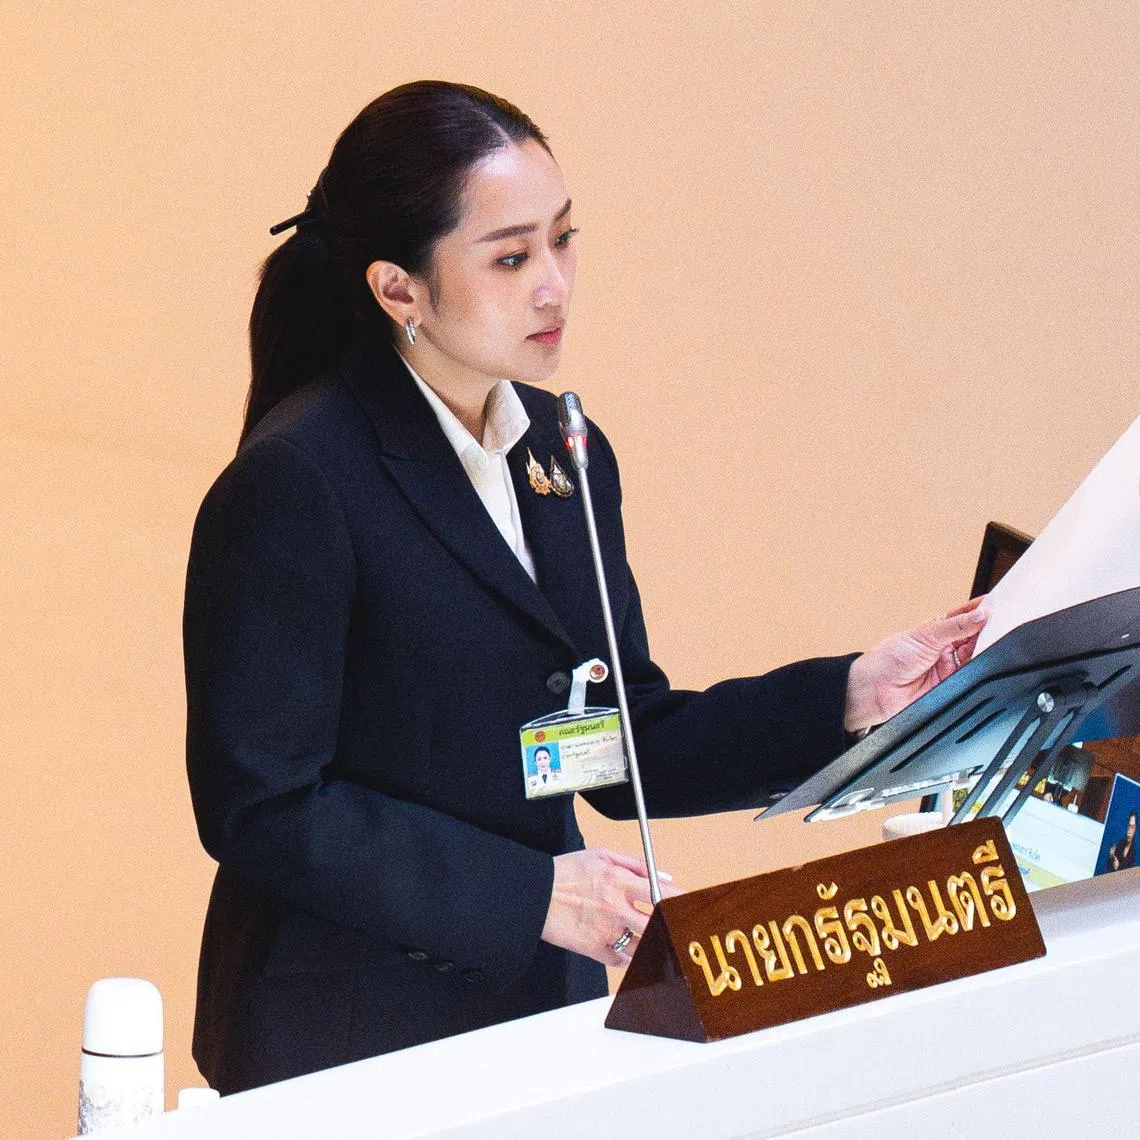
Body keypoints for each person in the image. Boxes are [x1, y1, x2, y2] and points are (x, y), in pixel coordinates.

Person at [183, 80, 988, 1094]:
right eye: (512, 257)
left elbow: (619, 741)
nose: (555, 285)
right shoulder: (300, 479)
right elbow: (265, 806)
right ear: (400, 289)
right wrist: (530, 895)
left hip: (534, 1015)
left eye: (564, 241)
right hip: (345, 1033)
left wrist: (853, 696)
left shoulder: (563, 453)